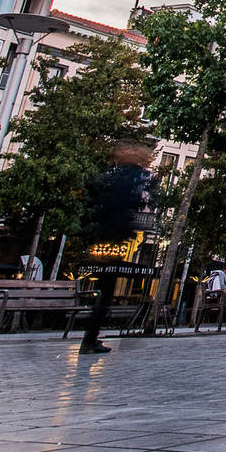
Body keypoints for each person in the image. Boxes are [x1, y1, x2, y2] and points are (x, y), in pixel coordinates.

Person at [78, 141, 156, 354]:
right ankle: (89, 340)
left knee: (104, 292)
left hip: (107, 233)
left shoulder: (115, 173)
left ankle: (90, 338)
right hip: (113, 236)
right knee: (105, 292)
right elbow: (135, 200)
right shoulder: (132, 175)